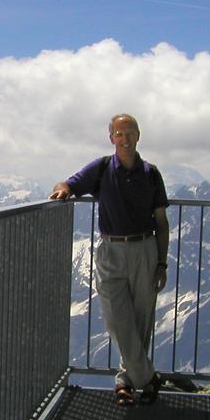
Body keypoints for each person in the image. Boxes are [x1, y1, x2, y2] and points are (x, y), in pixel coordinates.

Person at [49, 113, 170, 405]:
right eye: (119, 134)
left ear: (138, 135)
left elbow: (161, 221)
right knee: (117, 321)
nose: (125, 139)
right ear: (111, 137)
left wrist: (162, 262)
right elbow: (67, 182)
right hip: (111, 250)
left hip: (145, 248)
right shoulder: (101, 168)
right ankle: (148, 379)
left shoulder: (151, 173)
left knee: (141, 322)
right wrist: (63, 189)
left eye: (130, 133)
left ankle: (125, 381)